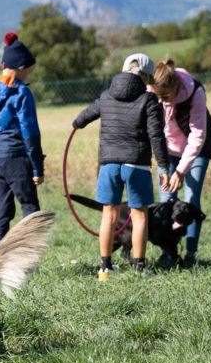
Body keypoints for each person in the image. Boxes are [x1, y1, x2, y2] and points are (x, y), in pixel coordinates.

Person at [73, 53, 170, 280]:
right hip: (136, 165)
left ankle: (105, 267)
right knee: (139, 216)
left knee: (109, 215)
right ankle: (139, 266)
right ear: (146, 76)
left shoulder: (106, 96)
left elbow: (83, 117)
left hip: (109, 165)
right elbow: (157, 135)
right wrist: (164, 167)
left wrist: (77, 123)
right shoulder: (148, 101)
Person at [149, 59, 211, 268]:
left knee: (190, 200)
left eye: (165, 96)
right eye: (156, 96)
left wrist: (180, 171)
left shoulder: (194, 91)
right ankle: (169, 253)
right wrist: (164, 166)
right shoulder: (152, 91)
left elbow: (198, 136)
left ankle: (190, 253)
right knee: (165, 200)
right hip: (167, 153)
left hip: (197, 151)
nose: (160, 101)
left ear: (176, 86)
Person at [0, 32, 45, 244]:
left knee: (3, 210)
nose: (29, 74)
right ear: (20, 67)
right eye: (29, 70)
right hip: (15, 154)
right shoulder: (21, 92)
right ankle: (28, 257)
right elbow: (30, 132)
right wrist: (37, 168)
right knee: (30, 208)